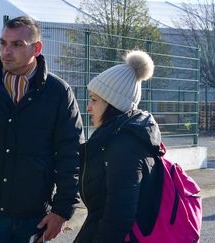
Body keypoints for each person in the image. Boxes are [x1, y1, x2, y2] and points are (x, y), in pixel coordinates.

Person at [0, 16, 84, 242]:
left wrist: (61, 211)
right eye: (3, 43)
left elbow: (71, 154)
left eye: (17, 44)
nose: (6, 51)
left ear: (37, 48)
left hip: (34, 219)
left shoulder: (58, 93)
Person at [74, 50, 163, 242]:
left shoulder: (124, 145)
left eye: (94, 100)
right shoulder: (117, 138)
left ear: (113, 104)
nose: (88, 106)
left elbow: (118, 216)